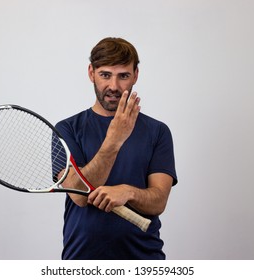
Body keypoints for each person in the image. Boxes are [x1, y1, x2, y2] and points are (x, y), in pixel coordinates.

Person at [55, 37, 178, 260]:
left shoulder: (158, 131)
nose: (114, 86)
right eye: (105, 75)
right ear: (91, 73)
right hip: (81, 262)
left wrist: (127, 192)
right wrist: (114, 139)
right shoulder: (67, 129)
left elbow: (159, 201)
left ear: (136, 76)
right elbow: (79, 195)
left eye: (123, 76)